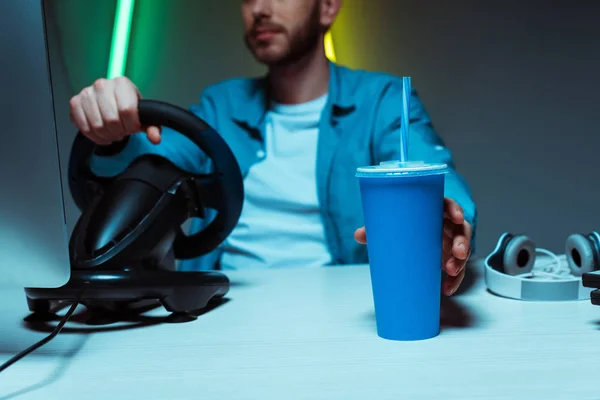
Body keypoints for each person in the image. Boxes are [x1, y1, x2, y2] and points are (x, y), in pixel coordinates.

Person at [68, 0, 476, 296]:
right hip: (223, 311)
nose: (259, 9)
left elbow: (432, 173)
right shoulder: (220, 106)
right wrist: (114, 132)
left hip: (343, 316)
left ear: (329, 7)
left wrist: (440, 220)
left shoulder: (382, 100)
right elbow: (149, 168)